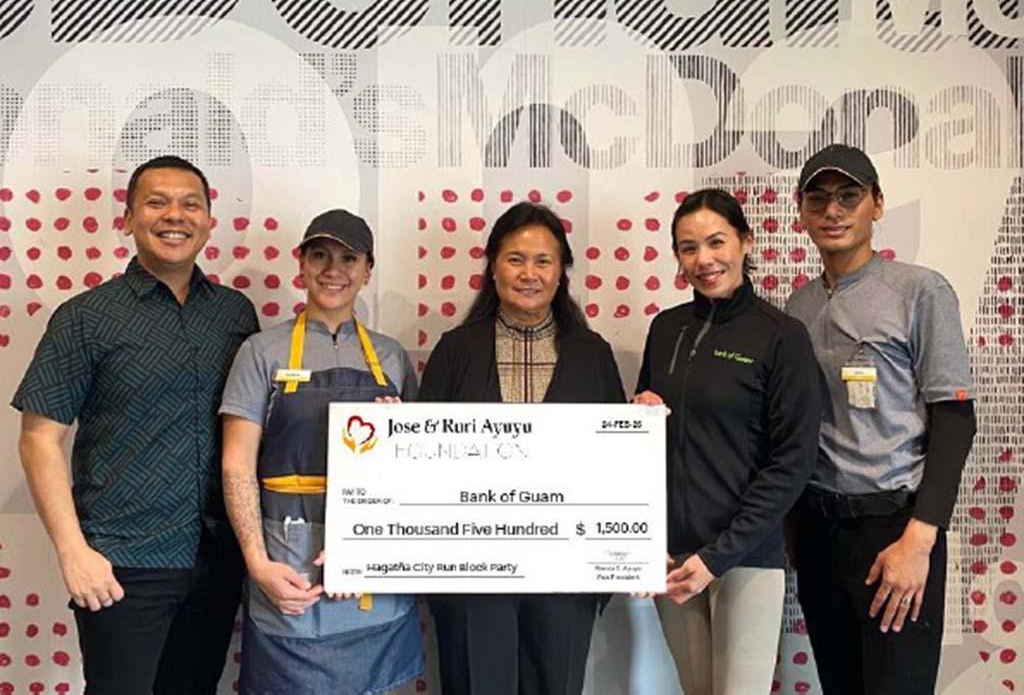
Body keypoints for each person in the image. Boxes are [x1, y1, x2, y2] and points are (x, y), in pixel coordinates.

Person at [12, 155, 259, 694]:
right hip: (122, 561)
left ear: (209, 221)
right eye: (156, 202)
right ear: (127, 218)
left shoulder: (236, 314)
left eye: (190, 204)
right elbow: (38, 439)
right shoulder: (85, 317)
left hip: (216, 557)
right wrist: (73, 551)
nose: (175, 215)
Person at [785, 144, 977, 695]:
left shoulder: (920, 291)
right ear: (801, 212)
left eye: (849, 196)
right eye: (818, 199)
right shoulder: (797, 308)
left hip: (895, 529)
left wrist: (920, 538)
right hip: (820, 532)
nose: (833, 210)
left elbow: (955, 418)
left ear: (877, 204)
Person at [418, 201, 626, 695]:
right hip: (471, 573)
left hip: (567, 571)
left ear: (561, 271)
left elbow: (619, 463)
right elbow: (421, 461)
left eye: (543, 261)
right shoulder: (455, 350)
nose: (529, 274)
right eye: (515, 259)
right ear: (492, 266)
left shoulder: (593, 354)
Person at [219, 209, 424, 695]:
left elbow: (416, 473)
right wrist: (257, 564)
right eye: (319, 256)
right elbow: (236, 464)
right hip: (290, 570)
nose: (333, 270)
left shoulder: (392, 357)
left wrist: (366, 549)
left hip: (374, 580)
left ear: (368, 270)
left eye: (348, 258)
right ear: (301, 264)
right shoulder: (260, 352)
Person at [633, 188, 822, 695]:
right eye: (688, 247)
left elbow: (793, 460)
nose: (704, 259)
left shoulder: (781, 336)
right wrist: (639, 415)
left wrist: (719, 556)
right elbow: (649, 440)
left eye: (716, 242)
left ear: (745, 241)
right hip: (674, 557)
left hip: (745, 557)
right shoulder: (665, 329)